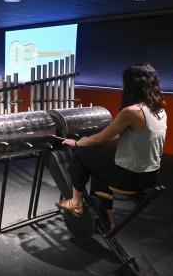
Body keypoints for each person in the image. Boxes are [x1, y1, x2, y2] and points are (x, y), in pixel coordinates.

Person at [56, 63, 167, 228]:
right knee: (100, 163)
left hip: (130, 178)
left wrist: (77, 142)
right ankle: (107, 219)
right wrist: (95, 138)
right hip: (150, 177)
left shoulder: (132, 111)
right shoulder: (159, 109)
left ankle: (76, 202)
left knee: (82, 155)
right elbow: (119, 134)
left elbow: (98, 140)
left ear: (130, 85)